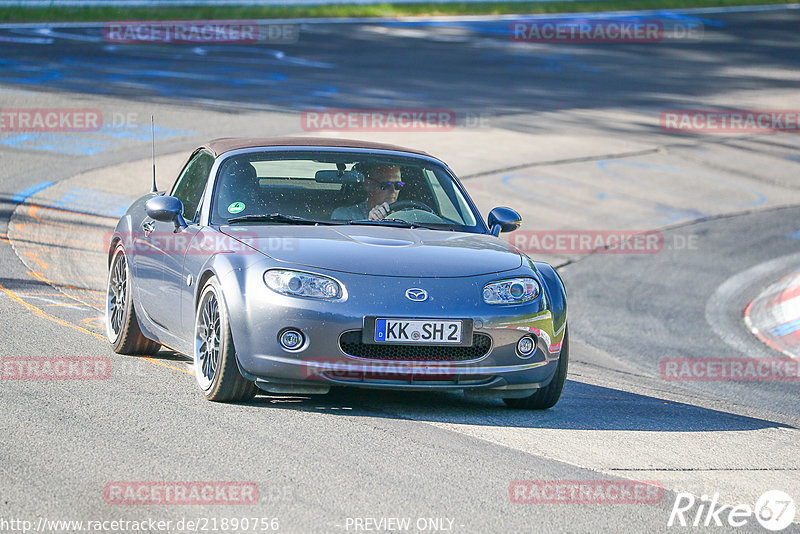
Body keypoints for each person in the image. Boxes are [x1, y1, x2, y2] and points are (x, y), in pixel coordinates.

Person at [331, 163, 404, 221]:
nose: (393, 190)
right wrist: (370, 223)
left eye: (398, 185)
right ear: (369, 185)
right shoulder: (344, 215)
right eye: (386, 185)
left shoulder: (408, 216)